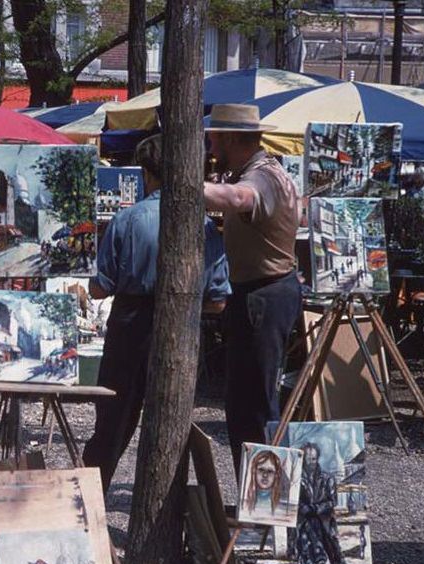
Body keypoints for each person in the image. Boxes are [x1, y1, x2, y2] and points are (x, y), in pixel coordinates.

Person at [81, 134, 231, 491]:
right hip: (181, 324)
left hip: (131, 324)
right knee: (172, 426)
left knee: (112, 425)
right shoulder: (203, 224)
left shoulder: (128, 220)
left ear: (146, 174)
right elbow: (219, 299)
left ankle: (90, 499)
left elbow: (101, 287)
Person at [203, 104, 300, 475]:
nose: (211, 148)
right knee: (245, 403)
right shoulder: (263, 171)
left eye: (214, 139)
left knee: (255, 406)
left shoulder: (262, 177)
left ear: (230, 137)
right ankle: (257, 498)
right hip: (260, 293)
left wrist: (186, 184)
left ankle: (267, 503)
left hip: (264, 294)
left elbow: (240, 198)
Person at [294, 442, 343, 564]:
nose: (311, 463)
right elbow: (294, 500)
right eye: (308, 459)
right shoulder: (297, 479)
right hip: (305, 517)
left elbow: (333, 501)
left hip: (323, 516)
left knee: (326, 535)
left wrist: (316, 508)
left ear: (318, 459)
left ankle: (332, 563)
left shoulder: (327, 479)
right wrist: (303, 508)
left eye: (313, 459)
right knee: (304, 534)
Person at [244, 448, 289, 518]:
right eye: (261, 470)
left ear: (276, 475)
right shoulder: (245, 502)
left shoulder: (282, 505)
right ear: (254, 471)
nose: (265, 475)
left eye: (270, 471)